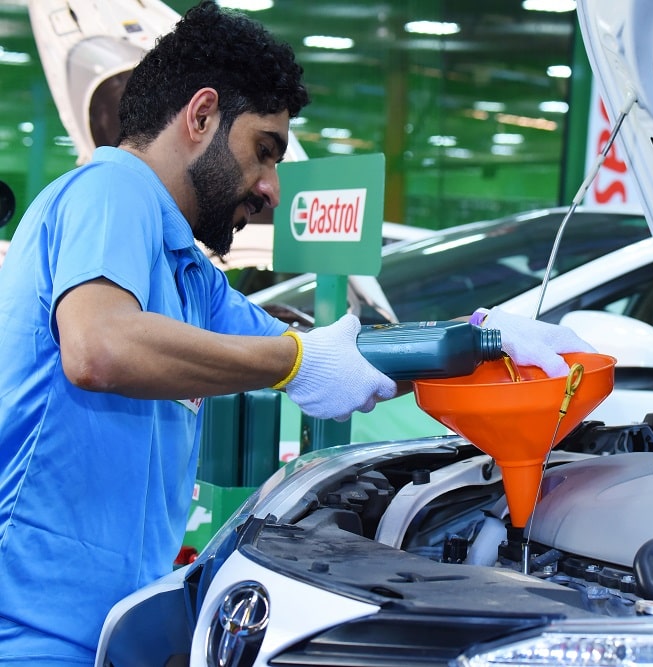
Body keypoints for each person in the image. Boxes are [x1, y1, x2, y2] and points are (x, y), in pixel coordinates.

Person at [0, 2, 593, 664]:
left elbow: (336, 357)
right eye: (264, 151)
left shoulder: (189, 275)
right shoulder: (112, 188)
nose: (272, 188)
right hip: (28, 634)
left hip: (112, 634)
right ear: (200, 117)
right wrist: (293, 359)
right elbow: (99, 348)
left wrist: (477, 339)